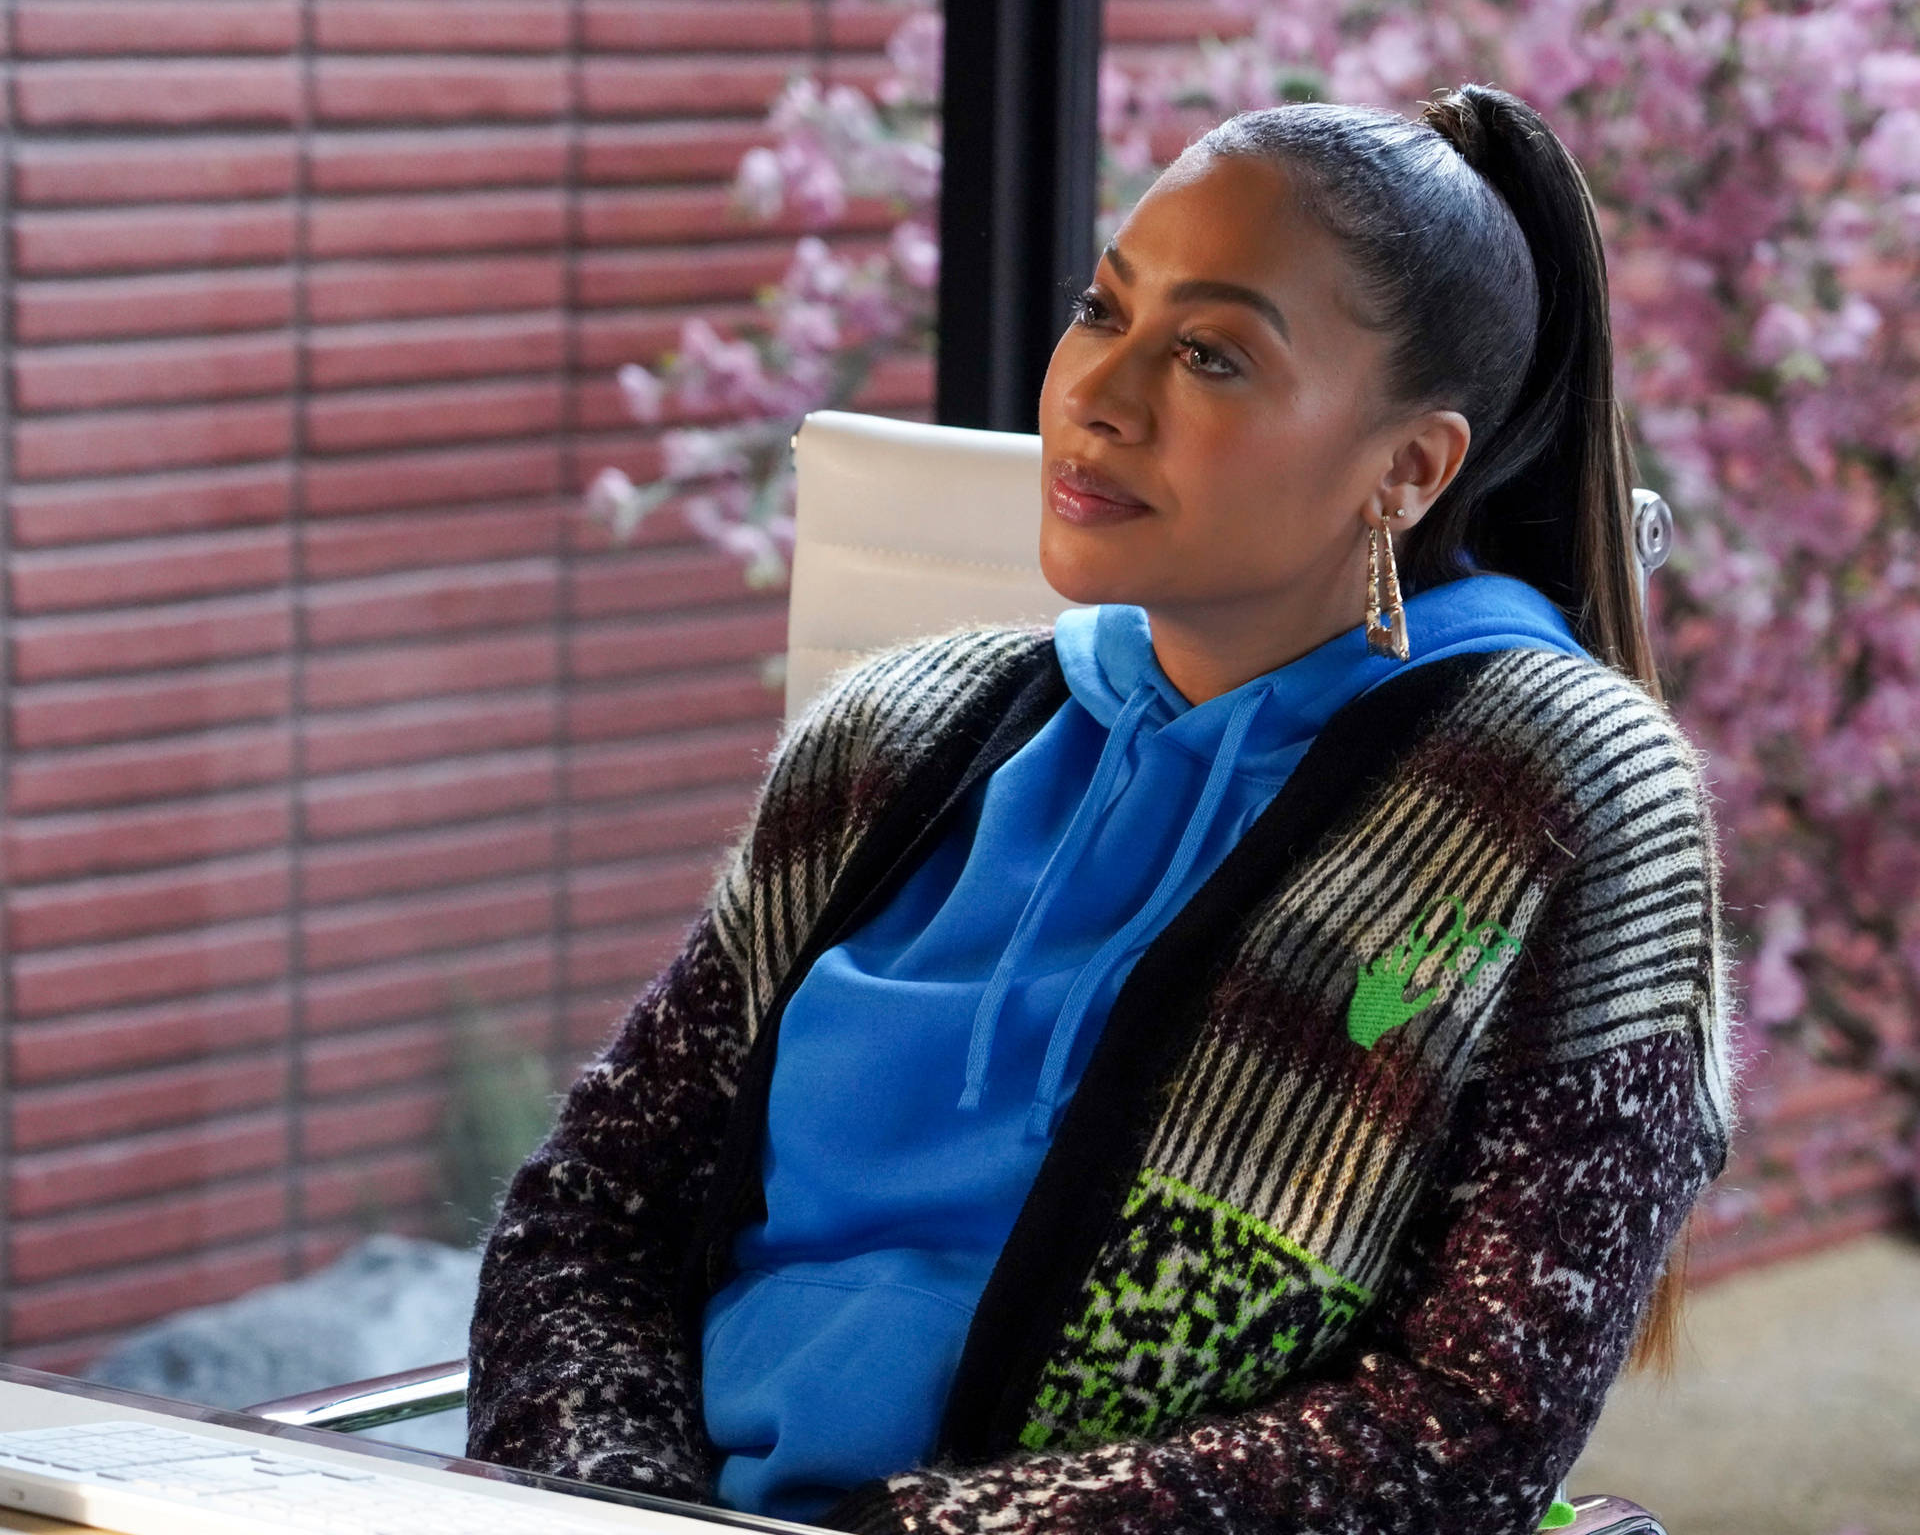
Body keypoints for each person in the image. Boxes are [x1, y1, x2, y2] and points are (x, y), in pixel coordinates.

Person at [466, 83, 1736, 1535]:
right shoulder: (893, 737)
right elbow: (589, 1218)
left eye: (1208, 352)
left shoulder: (1560, 791)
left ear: (1410, 468)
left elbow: (1472, 1421)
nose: (1098, 394)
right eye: (1101, 309)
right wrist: (621, 1507)